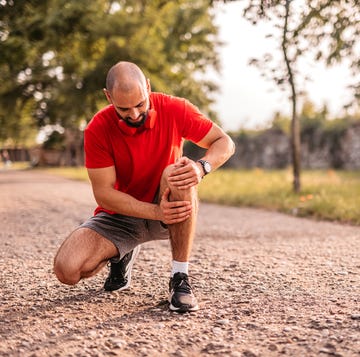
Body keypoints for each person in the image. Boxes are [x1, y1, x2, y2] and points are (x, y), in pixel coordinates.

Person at [53, 61, 235, 313]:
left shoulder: (175, 108)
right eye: (123, 109)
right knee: (67, 270)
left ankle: (180, 279)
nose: (135, 115)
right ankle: (120, 255)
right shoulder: (98, 128)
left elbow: (223, 142)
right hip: (122, 217)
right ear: (108, 97)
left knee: (179, 171)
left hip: (169, 203)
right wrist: (154, 213)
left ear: (148, 87)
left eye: (140, 104)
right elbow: (104, 194)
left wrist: (201, 167)